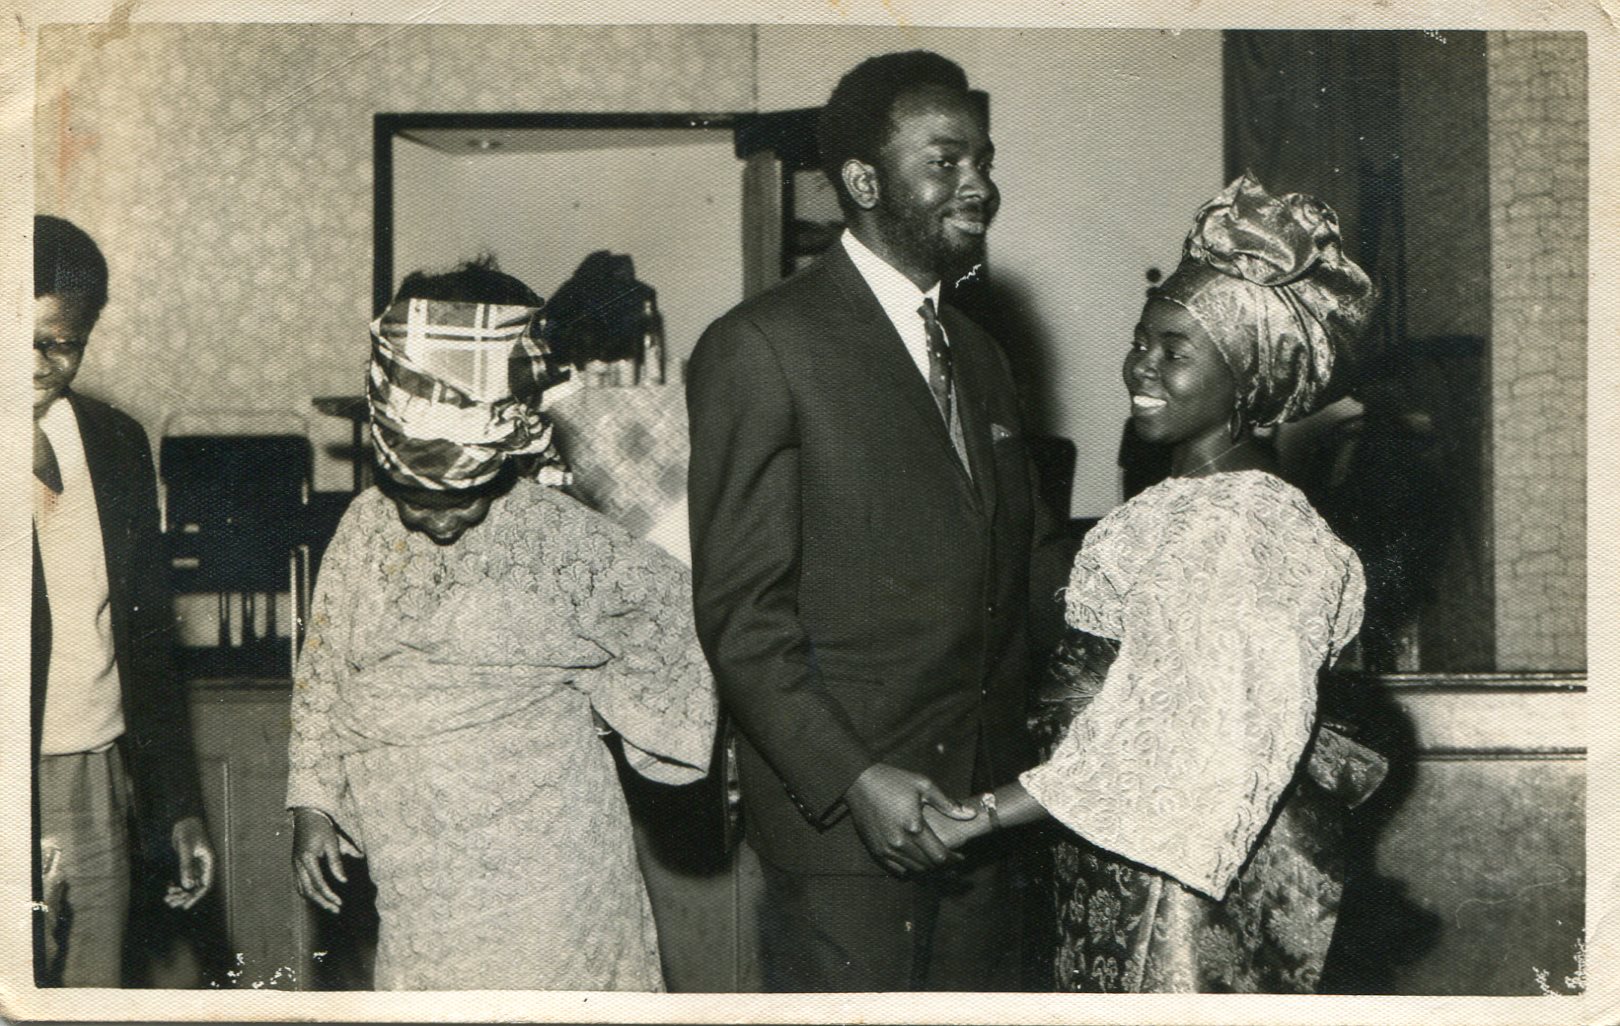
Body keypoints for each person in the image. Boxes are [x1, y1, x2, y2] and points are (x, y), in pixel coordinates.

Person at [923, 173, 1389, 992]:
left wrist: (989, 813)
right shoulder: (1193, 504)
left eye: (1177, 352)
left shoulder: (1239, 524)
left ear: (1248, 378)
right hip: (1119, 853)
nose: (1143, 365)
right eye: (1143, 340)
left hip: (1168, 882)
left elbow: (1183, 731)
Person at [686, 51, 1068, 991]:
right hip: (848, 837)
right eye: (946, 161)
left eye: (983, 159)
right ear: (862, 181)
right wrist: (858, 778)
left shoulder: (981, 356)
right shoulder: (762, 347)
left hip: (987, 821)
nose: (980, 184)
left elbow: (1027, 568)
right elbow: (743, 617)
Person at [285, 258, 715, 991]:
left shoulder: (556, 530)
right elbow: (323, 669)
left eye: (464, 496)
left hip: (551, 858)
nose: (436, 517)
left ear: (507, 452)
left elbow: (673, 609)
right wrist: (313, 804)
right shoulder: (361, 529)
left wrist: (610, 703)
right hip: (415, 858)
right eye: (415, 494)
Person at [31, 215, 215, 986]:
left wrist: (176, 805)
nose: (35, 361)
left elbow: (146, 642)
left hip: (95, 773)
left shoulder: (115, 443)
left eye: (60, 342)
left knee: (90, 993)